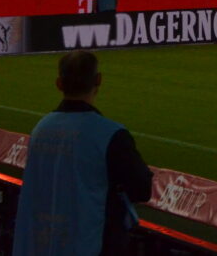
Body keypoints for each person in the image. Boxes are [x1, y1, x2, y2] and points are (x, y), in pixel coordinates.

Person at [13, 50, 153, 256]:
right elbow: (141, 189)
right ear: (98, 80)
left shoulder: (41, 129)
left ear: (59, 84)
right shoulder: (109, 134)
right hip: (90, 243)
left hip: (42, 243)